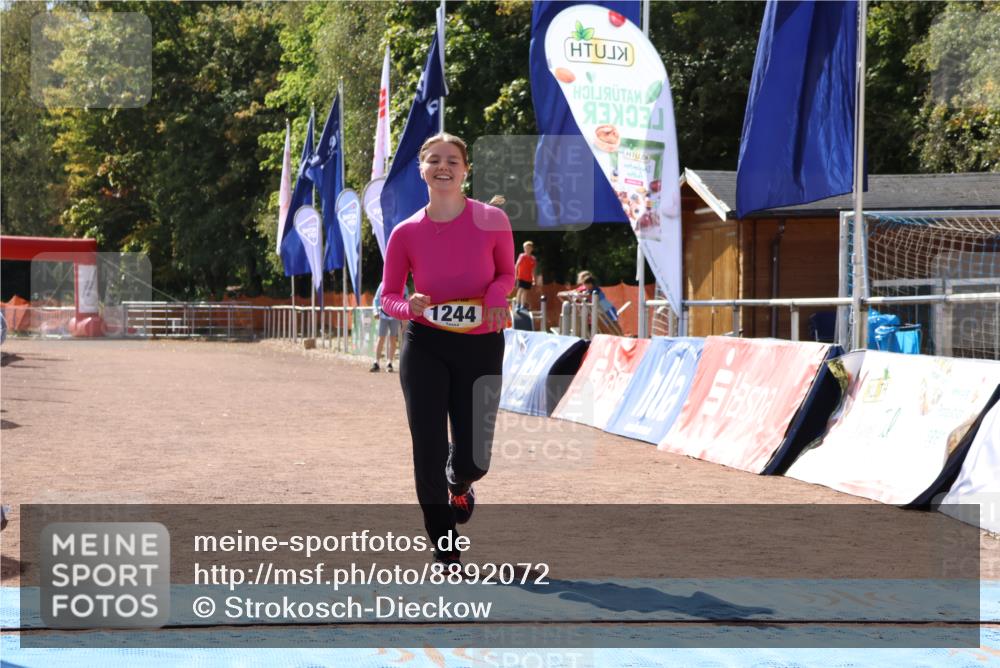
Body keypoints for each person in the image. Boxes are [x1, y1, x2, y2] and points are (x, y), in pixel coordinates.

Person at [380, 132, 514, 568]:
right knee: (429, 448)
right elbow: (388, 296)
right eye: (434, 159)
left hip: (481, 343)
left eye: (452, 160)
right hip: (425, 346)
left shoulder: (492, 220)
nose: (443, 166)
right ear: (421, 169)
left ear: (465, 170)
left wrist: (496, 297)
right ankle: (445, 547)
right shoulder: (405, 232)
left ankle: (461, 485)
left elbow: (506, 275)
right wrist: (408, 305)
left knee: (474, 456)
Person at [370, 281, 404, 372]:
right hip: (383, 315)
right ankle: (376, 362)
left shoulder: (403, 285)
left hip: (395, 316)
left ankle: (389, 363)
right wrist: (375, 311)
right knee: (381, 338)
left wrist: (403, 315)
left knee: (393, 338)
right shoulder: (383, 284)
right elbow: (376, 299)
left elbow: (405, 300)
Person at [513, 241, 536, 310]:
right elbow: (516, 265)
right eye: (526, 248)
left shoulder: (533, 259)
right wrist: (515, 275)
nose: (527, 249)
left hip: (528, 278)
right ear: (524, 249)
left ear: (532, 249)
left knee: (525, 292)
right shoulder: (522, 256)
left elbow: (533, 270)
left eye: (529, 248)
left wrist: (533, 279)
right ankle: (517, 304)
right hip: (521, 277)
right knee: (520, 290)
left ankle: (523, 305)